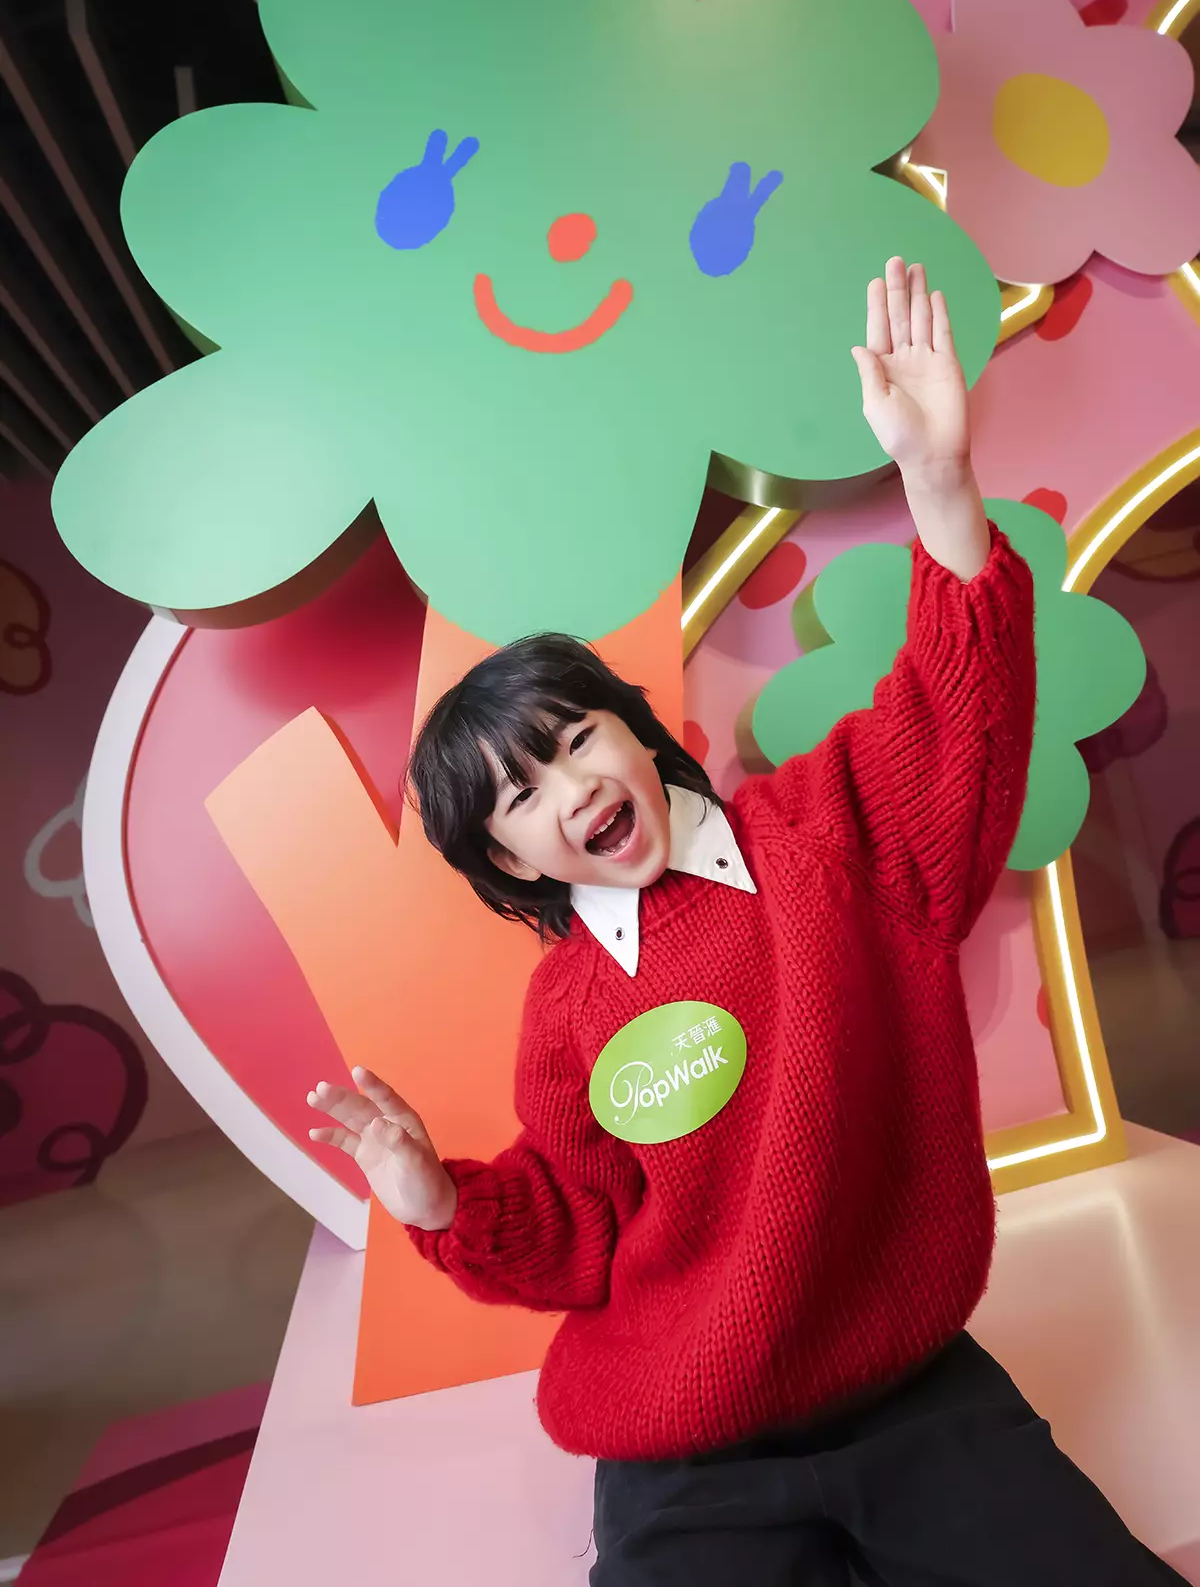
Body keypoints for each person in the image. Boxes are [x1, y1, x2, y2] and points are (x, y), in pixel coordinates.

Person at [307, 260, 1185, 1585]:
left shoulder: (830, 833)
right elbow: (577, 1227)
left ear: (636, 731)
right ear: (506, 859)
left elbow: (959, 711)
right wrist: (441, 1202)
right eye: (521, 797)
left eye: (577, 738)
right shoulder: (567, 1011)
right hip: (685, 1443)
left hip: (911, 1385)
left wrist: (940, 479)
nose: (571, 789)